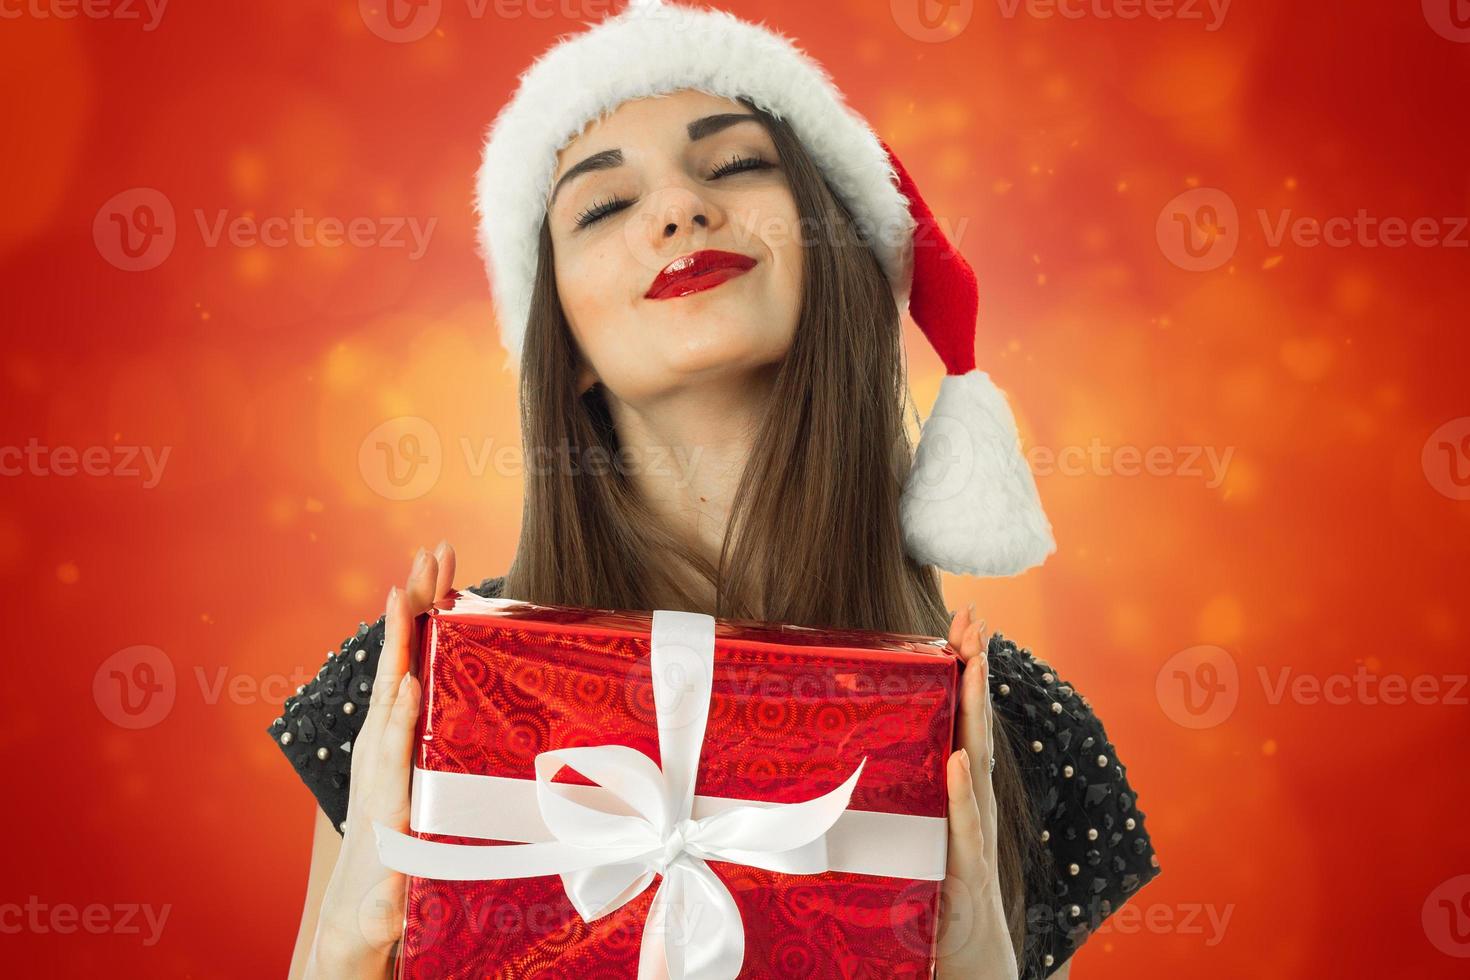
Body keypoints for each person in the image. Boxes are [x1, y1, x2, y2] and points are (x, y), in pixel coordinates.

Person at [269, 3, 1161, 977]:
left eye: (735, 164)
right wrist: (346, 945)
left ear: (839, 248)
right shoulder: (418, 683)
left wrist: (981, 963)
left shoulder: (1011, 727)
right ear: (561, 346)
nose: (678, 210)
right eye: (603, 207)